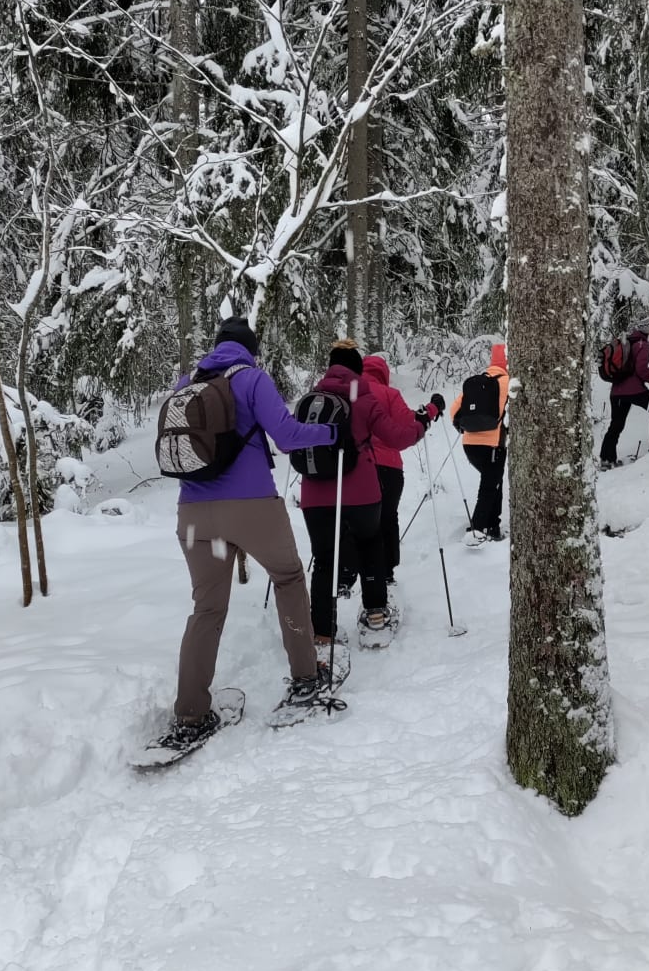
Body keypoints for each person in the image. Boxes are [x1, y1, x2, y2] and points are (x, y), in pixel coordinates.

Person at [166, 317, 339, 746]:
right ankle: (305, 676)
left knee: (206, 609)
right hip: (251, 507)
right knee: (288, 578)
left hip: (192, 513)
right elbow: (285, 435)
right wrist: (330, 432)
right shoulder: (251, 379)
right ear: (250, 349)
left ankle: (190, 713)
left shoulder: (186, 382)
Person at [299, 344, 425, 645]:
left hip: (315, 494)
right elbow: (396, 436)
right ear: (357, 369)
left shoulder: (311, 400)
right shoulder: (364, 398)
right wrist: (421, 427)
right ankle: (376, 613)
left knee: (325, 559)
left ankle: (322, 631)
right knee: (370, 544)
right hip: (360, 491)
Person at [358, 355, 443, 602]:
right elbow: (411, 421)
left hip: (356, 468)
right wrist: (433, 407)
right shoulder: (388, 393)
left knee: (358, 520)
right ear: (383, 373)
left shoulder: (350, 392)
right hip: (389, 468)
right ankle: (386, 572)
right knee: (387, 518)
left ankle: (350, 571)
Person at [450, 343, 510, 542]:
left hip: (470, 446)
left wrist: (463, 427)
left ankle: (492, 526)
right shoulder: (509, 383)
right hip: (493, 446)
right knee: (489, 486)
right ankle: (478, 530)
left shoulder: (479, 382)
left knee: (494, 483)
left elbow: (454, 410)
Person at [600, 316, 649, 469]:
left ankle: (607, 459)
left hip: (617, 392)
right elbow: (640, 370)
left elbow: (632, 368)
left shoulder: (628, 342)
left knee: (616, 425)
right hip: (634, 390)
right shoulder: (644, 345)